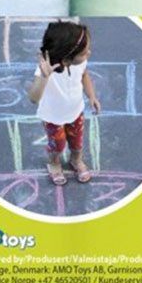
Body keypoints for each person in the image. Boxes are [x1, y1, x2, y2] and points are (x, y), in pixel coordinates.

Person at [27, 21, 101, 185]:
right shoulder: (46, 71)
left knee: (77, 142)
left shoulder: (80, 63)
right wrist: (44, 77)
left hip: (76, 111)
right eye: (84, 52)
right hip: (53, 117)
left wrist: (92, 96)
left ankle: (76, 160)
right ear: (66, 59)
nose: (89, 53)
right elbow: (33, 98)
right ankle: (54, 163)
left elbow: (84, 75)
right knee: (57, 145)